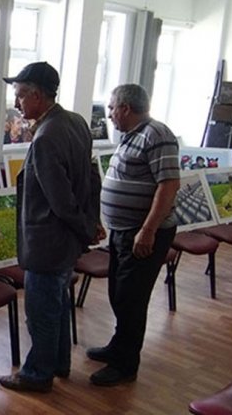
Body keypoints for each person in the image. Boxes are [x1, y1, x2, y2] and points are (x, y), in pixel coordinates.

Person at [0, 62, 102, 393]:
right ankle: (58, 363)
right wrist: (90, 221)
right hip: (65, 241)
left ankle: (37, 374)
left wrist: (85, 225)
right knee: (57, 302)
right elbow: (91, 178)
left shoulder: (46, 136)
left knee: (41, 310)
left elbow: (59, 200)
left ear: (37, 96)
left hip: (47, 240)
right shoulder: (76, 122)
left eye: (20, 96)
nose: (16, 104)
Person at [87, 84, 180, 387]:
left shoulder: (157, 135)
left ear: (126, 107)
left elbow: (169, 186)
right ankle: (119, 345)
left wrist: (148, 230)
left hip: (144, 234)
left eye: (112, 107)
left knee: (131, 298)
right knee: (119, 292)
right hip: (124, 232)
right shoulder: (132, 136)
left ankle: (125, 363)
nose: (109, 114)